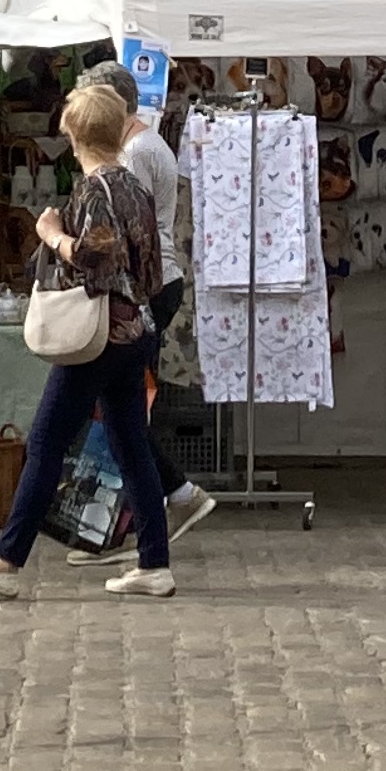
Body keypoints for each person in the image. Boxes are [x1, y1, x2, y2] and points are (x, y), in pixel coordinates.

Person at [0, 67, 176, 601]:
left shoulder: (94, 190)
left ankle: (5, 560)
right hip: (134, 328)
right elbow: (151, 269)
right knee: (131, 443)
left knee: (47, 441)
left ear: (75, 137)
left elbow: (94, 259)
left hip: (98, 336)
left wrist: (52, 235)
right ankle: (155, 562)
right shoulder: (136, 189)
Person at [119, 76, 215, 544]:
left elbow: (129, 229)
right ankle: (159, 509)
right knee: (122, 409)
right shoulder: (147, 146)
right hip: (151, 283)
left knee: (123, 410)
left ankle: (158, 514)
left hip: (145, 286)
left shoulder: (137, 153)